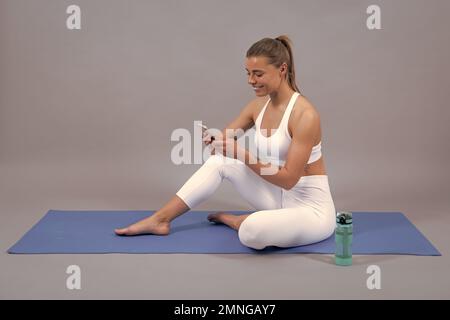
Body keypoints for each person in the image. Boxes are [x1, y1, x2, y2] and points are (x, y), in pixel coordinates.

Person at [115, 35, 336, 250]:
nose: (251, 80)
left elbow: (288, 180)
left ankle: (238, 221)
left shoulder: (305, 115)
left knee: (251, 232)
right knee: (220, 162)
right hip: (276, 199)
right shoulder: (257, 107)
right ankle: (160, 220)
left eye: (258, 74)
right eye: (248, 73)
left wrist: (241, 153)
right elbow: (224, 139)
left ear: (282, 69)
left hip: (311, 210)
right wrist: (216, 141)